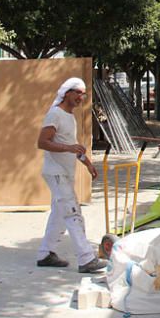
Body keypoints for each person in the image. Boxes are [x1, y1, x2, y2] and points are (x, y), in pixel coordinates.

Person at [35, 77, 107, 274]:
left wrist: (88, 164)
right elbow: (43, 142)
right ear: (67, 93)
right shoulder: (55, 114)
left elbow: (73, 145)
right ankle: (86, 259)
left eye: (83, 94)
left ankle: (45, 254)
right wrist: (68, 148)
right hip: (56, 173)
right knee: (73, 212)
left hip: (65, 173)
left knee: (59, 213)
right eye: (78, 93)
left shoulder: (69, 117)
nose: (80, 97)